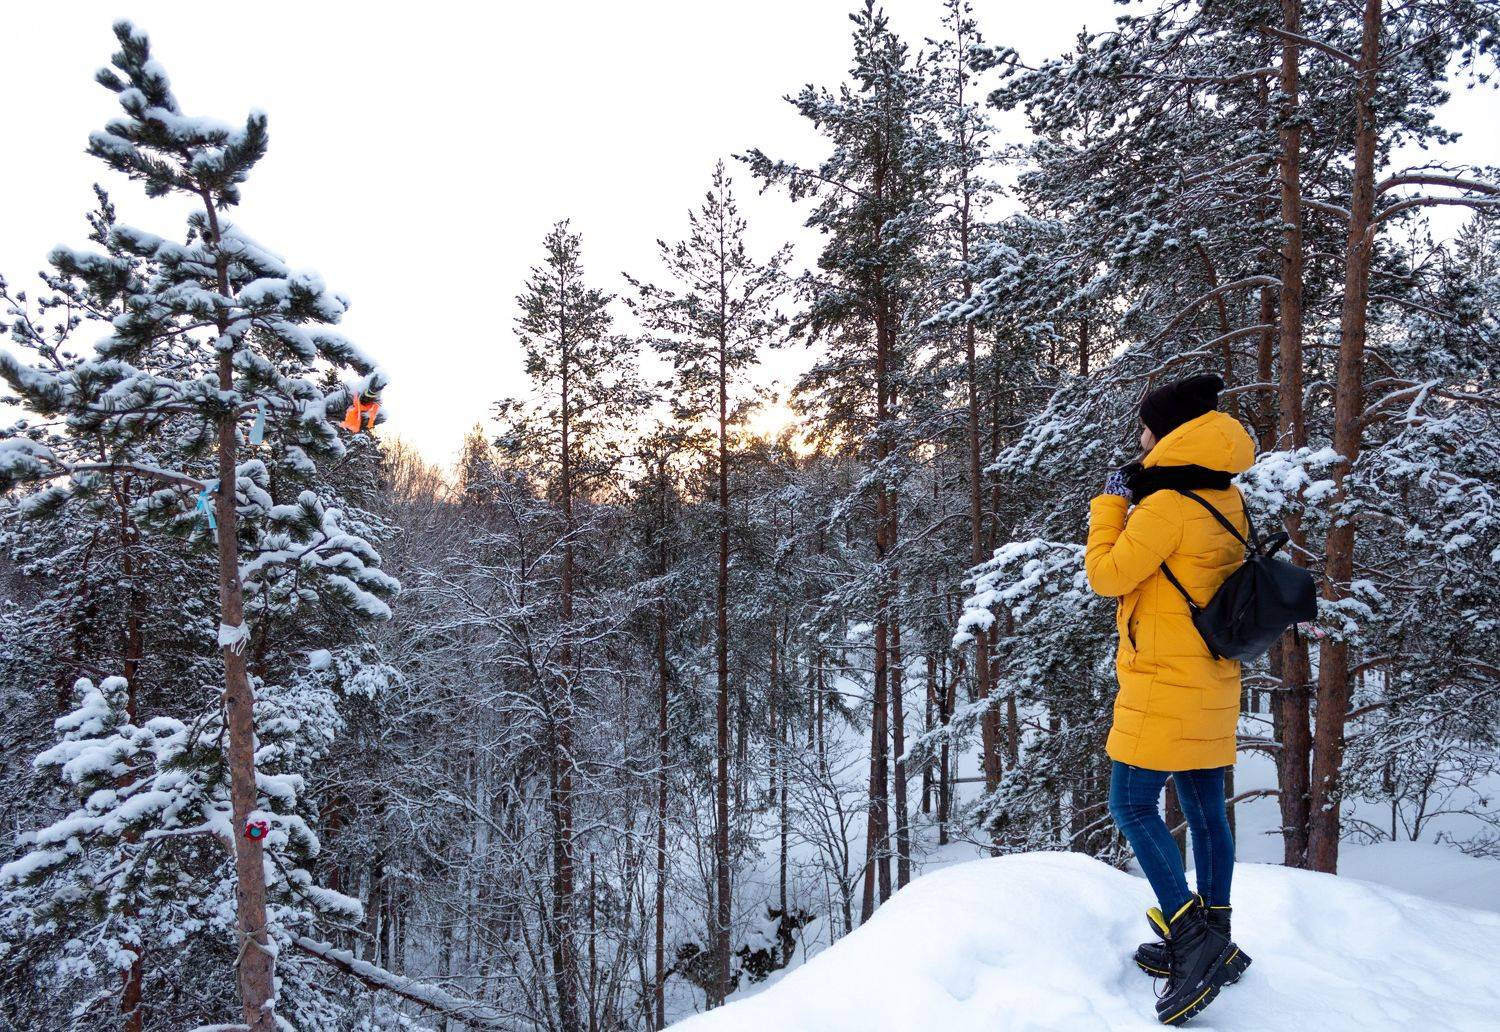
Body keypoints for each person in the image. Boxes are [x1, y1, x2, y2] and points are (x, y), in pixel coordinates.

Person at [1085, 372, 1255, 1026]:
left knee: (1131, 803)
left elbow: (1107, 575)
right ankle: (1217, 933)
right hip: (1210, 678)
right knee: (1206, 813)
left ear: (1170, 433)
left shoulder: (1165, 507)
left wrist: (1110, 505)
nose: (1140, 438)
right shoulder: (1223, 494)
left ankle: (1191, 937)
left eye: (1146, 429)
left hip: (1163, 682)